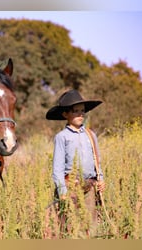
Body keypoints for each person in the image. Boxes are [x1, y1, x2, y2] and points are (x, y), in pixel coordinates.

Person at [46, 89, 105, 236]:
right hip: (70, 187)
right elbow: (57, 169)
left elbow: (97, 162)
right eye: (75, 111)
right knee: (70, 227)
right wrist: (62, 192)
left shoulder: (91, 135)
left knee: (91, 226)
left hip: (90, 187)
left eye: (82, 111)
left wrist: (100, 180)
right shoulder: (62, 137)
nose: (80, 114)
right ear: (65, 114)